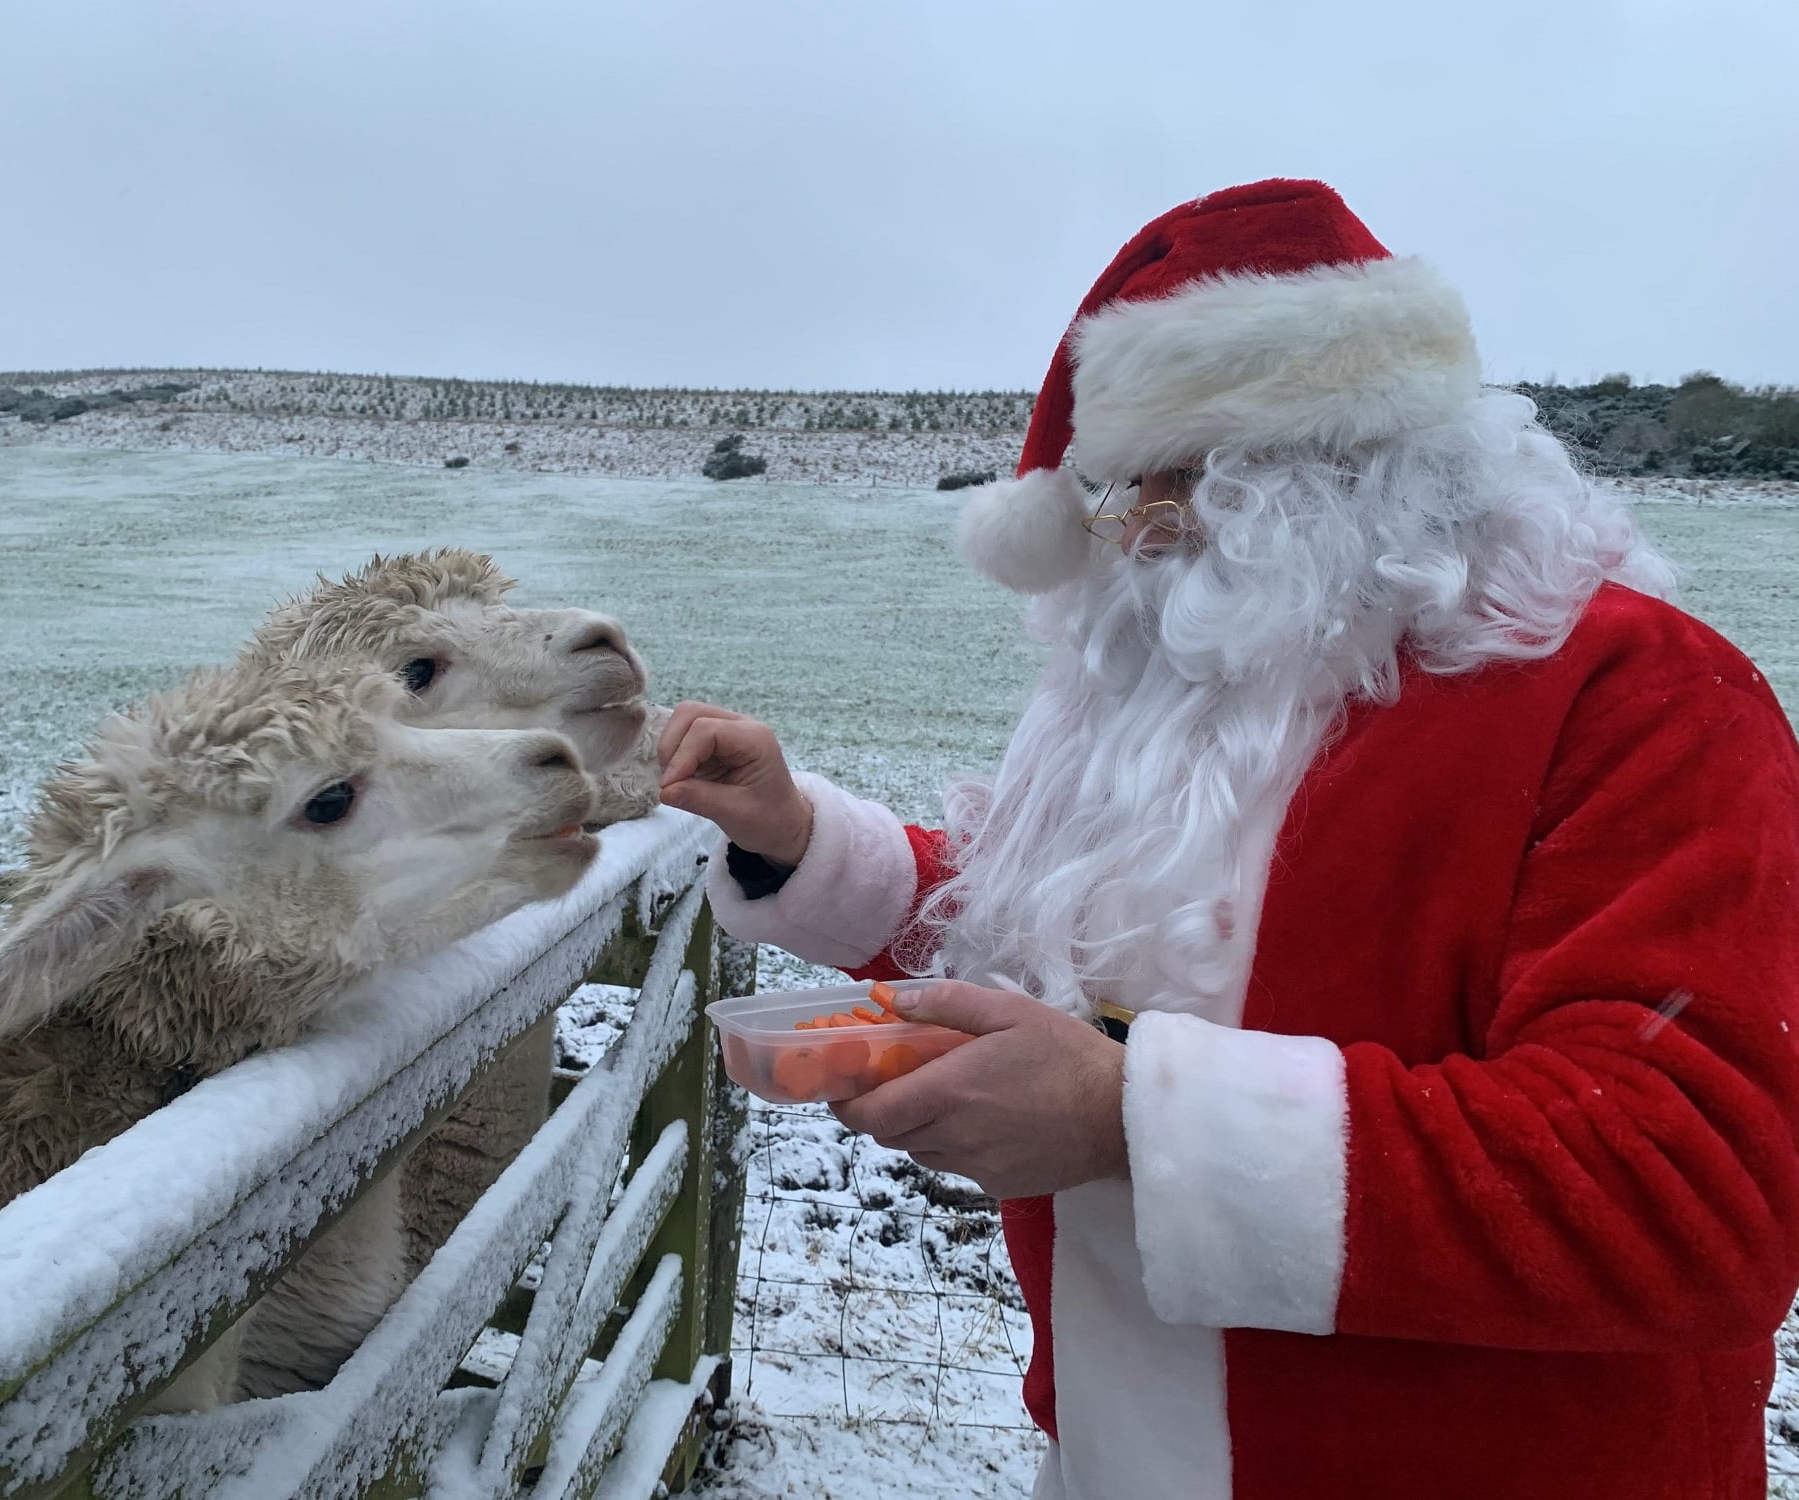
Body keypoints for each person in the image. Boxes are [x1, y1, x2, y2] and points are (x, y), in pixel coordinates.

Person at [656, 179, 1799, 1500]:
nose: (1131, 534)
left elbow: (1693, 1183)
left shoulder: (1641, 700)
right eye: (1111, 493)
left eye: (1170, 483)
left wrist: (1129, 1120)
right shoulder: (1193, 681)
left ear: (1343, 464)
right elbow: (1063, 930)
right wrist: (800, 839)